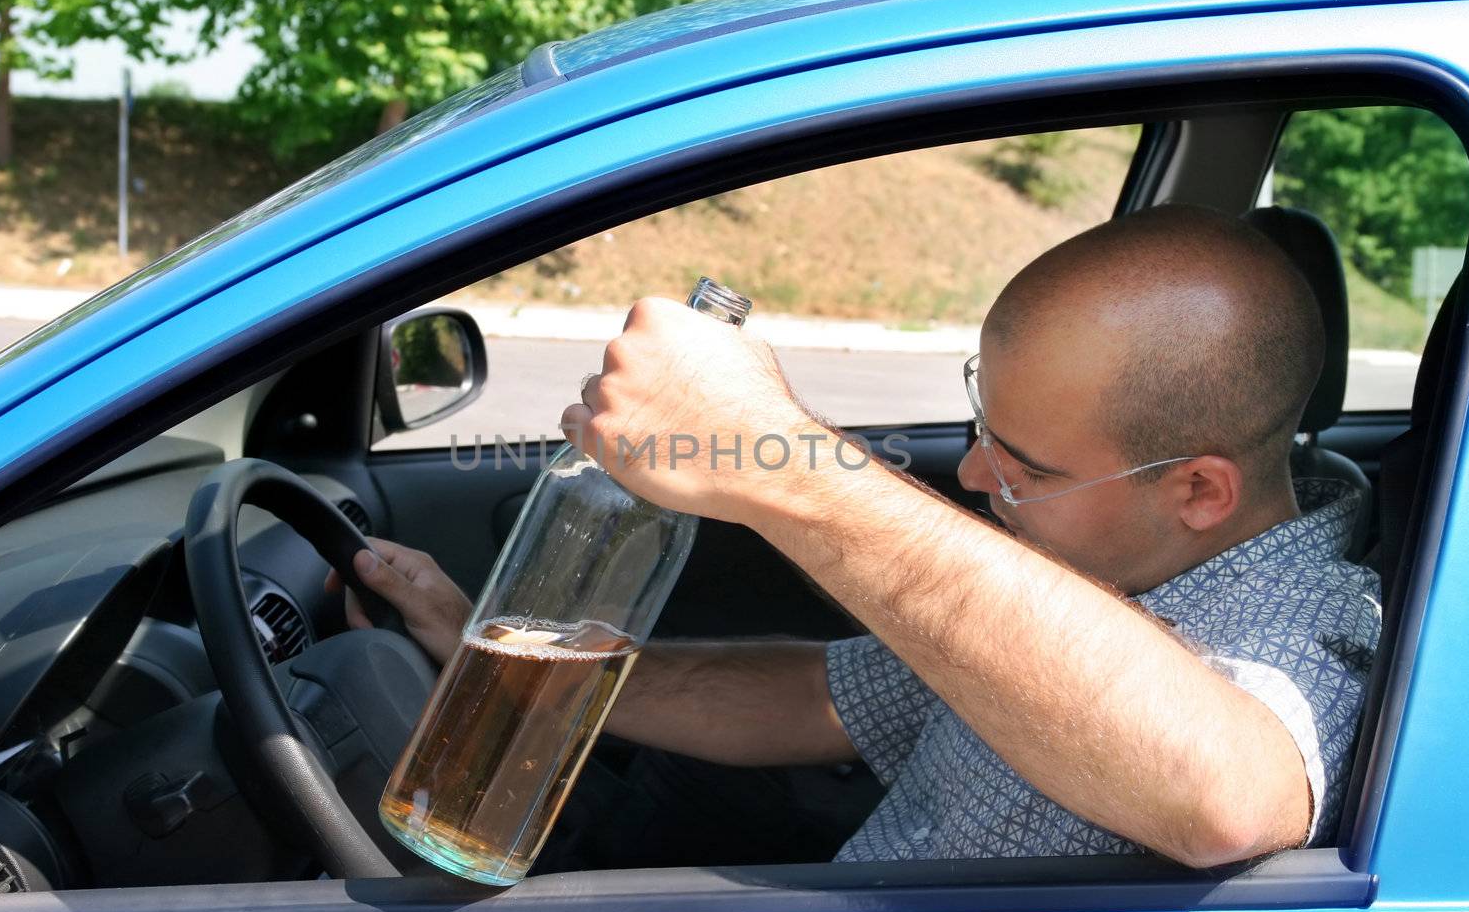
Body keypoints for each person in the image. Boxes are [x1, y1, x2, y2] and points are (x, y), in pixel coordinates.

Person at [333, 204, 1381, 869]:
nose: (974, 475)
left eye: (1025, 463)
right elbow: (813, 695)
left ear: (1199, 489)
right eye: (982, 429)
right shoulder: (1117, 565)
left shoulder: (1316, 617)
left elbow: (1227, 793)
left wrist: (782, 460)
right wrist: (495, 648)